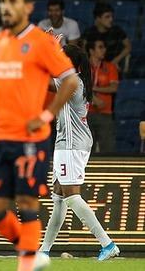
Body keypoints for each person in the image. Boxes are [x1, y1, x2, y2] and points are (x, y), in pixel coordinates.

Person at [0, 0, 80, 271]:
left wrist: (47, 115)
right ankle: (32, 254)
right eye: (2, 1)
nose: (5, 6)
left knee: (26, 203)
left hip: (31, 138)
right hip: (0, 137)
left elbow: (70, 81)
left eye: (11, 1)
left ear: (27, 7)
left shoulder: (41, 42)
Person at [40, 45, 119, 260]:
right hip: (70, 142)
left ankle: (107, 243)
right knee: (58, 197)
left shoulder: (71, 82)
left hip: (71, 145)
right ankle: (44, 251)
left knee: (72, 196)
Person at [86, 38, 118, 154]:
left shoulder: (110, 67)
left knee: (108, 148)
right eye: (100, 47)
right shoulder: (83, 67)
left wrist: (93, 88)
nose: (104, 50)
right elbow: (77, 86)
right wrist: (93, 97)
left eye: (104, 47)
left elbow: (114, 88)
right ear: (91, 51)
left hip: (105, 112)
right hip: (86, 113)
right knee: (87, 150)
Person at [81, 3, 131, 67]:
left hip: (113, 65)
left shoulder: (117, 30)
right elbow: (83, 49)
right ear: (98, 18)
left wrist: (116, 61)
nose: (111, 19)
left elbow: (128, 47)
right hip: (94, 66)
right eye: (107, 17)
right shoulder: (89, 32)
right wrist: (89, 63)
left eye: (112, 16)